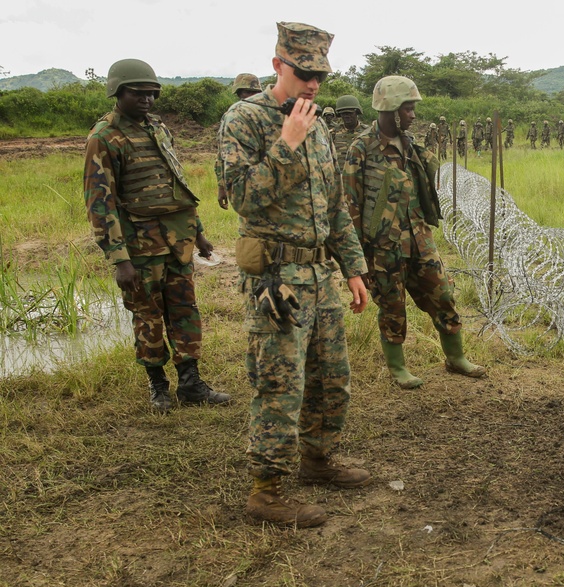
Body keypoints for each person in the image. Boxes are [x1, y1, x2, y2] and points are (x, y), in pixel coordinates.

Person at [218, 21, 371, 528]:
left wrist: (353, 269)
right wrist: (286, 142)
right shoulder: (245, 119)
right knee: (280, 385)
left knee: (332, 380)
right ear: (277, 64)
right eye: (304, 72)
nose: (313, 84)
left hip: (319, 274)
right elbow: (240, 197)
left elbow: (335, 207)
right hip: (275, 280)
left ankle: (318, 460)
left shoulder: (320, 124)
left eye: (320, 76)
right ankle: (268, 490)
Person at [84, 58, 231, 414]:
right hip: (139, 247)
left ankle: (192, 383)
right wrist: (120, 260)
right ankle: (158, 386)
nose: (147, 100)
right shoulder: (104, 138)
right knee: (147, 316)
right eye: (138, 93)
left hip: (176, 243)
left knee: (184, 311)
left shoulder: (159, 128)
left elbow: (176, 185)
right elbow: (100, 204)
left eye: (152, 93)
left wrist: (199, 234)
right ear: (118, 92)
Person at [343, 76, 485, 390]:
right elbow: (351, 205)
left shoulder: (411, 146)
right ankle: (398, 368)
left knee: (443, 295)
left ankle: (456, 358)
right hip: (383, 247)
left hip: (420, 240)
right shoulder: (362, 148)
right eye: (408, 109)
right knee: (392, 307)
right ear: (391, 110)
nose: (413, 115)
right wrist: (358, 261)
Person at [215, 73, 262, 209]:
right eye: (245, 93)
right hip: (243, 185)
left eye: (253, 93)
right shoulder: (231, 117)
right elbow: (222, 153)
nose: (248, 97)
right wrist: (221, 186)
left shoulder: (269, 116)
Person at [331, 94, 367, 167]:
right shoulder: (333, 133)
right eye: (343, 113)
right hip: (339, 176)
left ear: (356, 113)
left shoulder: (367, 132)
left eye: (350, 113)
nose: (346, 116)